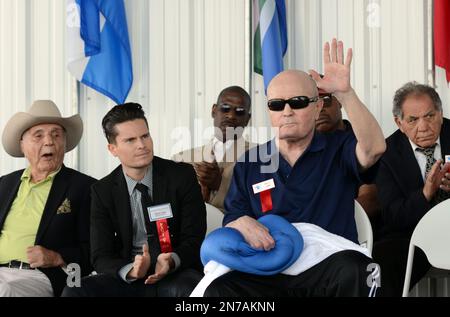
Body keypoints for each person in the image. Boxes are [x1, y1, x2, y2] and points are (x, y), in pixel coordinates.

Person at [203, 39, 386, 297]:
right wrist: (241, 222)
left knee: (361, 270)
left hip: (327, 264)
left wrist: (345, 93)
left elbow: (374, 148)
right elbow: (235, 215)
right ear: (269, 112)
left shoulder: (339, 148)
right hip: (270, 269)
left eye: (298, 102)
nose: (286, 111)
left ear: (317, 106)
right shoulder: (249, 162)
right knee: (219, 290)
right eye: (277, 104)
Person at [62, 102, 206, 297]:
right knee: (76, 290)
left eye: (145, 136)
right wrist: (131, 270)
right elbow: (100, 255)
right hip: (128, 275)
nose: (142, 145)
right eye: (130, 140)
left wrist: (171, 260)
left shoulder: (181, 175)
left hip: (174, 273)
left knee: (193, 289)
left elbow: (194, 237)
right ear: (113, 148)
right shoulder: (102, 191)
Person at [0, 100, 96, 297]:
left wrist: (57, 257)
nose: (49, 141)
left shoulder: (85, 188)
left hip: (39, 277)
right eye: (39, 135)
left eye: (56, 134)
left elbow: (94, 251)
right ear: (22, 145)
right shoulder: (4, 184)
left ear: (65, 143)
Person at [373, 82, 450, 296]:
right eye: (413, 120)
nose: (423, 127)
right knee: (382, 260)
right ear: (399, 122)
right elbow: (393, 216)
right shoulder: (386, 154)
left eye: (430, 116)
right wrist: (426, 193)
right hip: (413, 237)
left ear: (441, 114)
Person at [173, 86, 253, 212]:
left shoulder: (261, 156)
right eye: (225, 108)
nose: (231, 116)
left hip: (237, 230)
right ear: (214, 111)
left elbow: (265, 205)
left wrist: (221, 184)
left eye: (239, 111)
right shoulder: (182, 159)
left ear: (247, 119)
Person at [316, 88, 381, 223]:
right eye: (314, 104)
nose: (321, 109)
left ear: (339, 101)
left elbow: (370, 199)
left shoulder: (363, 143)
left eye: (326, 100)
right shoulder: (298, 149)